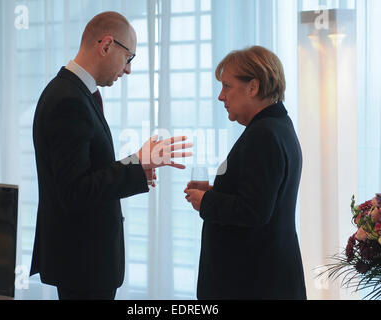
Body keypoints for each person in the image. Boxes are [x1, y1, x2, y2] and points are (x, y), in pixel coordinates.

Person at [30, 11, 192, 300]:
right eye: (129, 57)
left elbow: (86, 174)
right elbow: (74, 191)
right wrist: (137, 164)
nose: (128, 69)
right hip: (83, 264)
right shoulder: (69, 99)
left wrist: (136, 167)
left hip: (82, 263)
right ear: (106, 45)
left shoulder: (74, 92)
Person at [185, 46, 306, 300]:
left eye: (227, 86)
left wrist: (206, 201)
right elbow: (260, 195)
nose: (220, 96)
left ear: (253, 87)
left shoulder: (264, 134)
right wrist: (217, 193)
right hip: (267, 277)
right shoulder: (277, 126)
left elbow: (254, 210)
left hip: (253, 283)